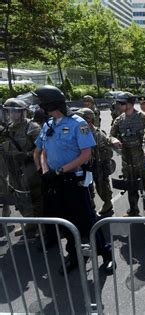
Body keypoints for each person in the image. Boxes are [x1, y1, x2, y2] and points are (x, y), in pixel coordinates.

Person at [33, 85, 113, 275]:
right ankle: (75, 255)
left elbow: (86, 154)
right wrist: (45, 170)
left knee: (88, 221)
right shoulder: (48, 124)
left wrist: (60, 170)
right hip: (54, 181)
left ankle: (106, 254)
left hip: (73, 181)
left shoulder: (78, 123)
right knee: (64, 222)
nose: (39, 107)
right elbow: (43, 150)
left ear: (50, 104)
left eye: (42, 103)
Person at [1, 98, 42, 236]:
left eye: (16, 112)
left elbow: (42, 148)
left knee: (36, 197)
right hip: (13, 169)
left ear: (23, 112)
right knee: (19, 197)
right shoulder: (6, 128)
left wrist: (27, 155)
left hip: (30, 168)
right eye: (10, 111)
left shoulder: (32, 127)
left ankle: (42, 227)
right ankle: (30, 223)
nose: (13, 114)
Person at [110, 92, 145, 217]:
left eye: (122, 103)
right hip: (127, 159)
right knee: (131, 185)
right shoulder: (119, 120)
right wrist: (114, 140)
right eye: (118, 103)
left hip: (144, 159)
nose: (119, 106)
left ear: (130, 104)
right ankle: (134, 210)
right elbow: (111, 135)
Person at [76, 108, 115, 216]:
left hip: (98, 165)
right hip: (85, 164)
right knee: (87, 186)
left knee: (101, 186)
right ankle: (91, 204)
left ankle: (107, 203)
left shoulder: (97, 134)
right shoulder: (81, 131)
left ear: (88, 120)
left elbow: (108, 151)